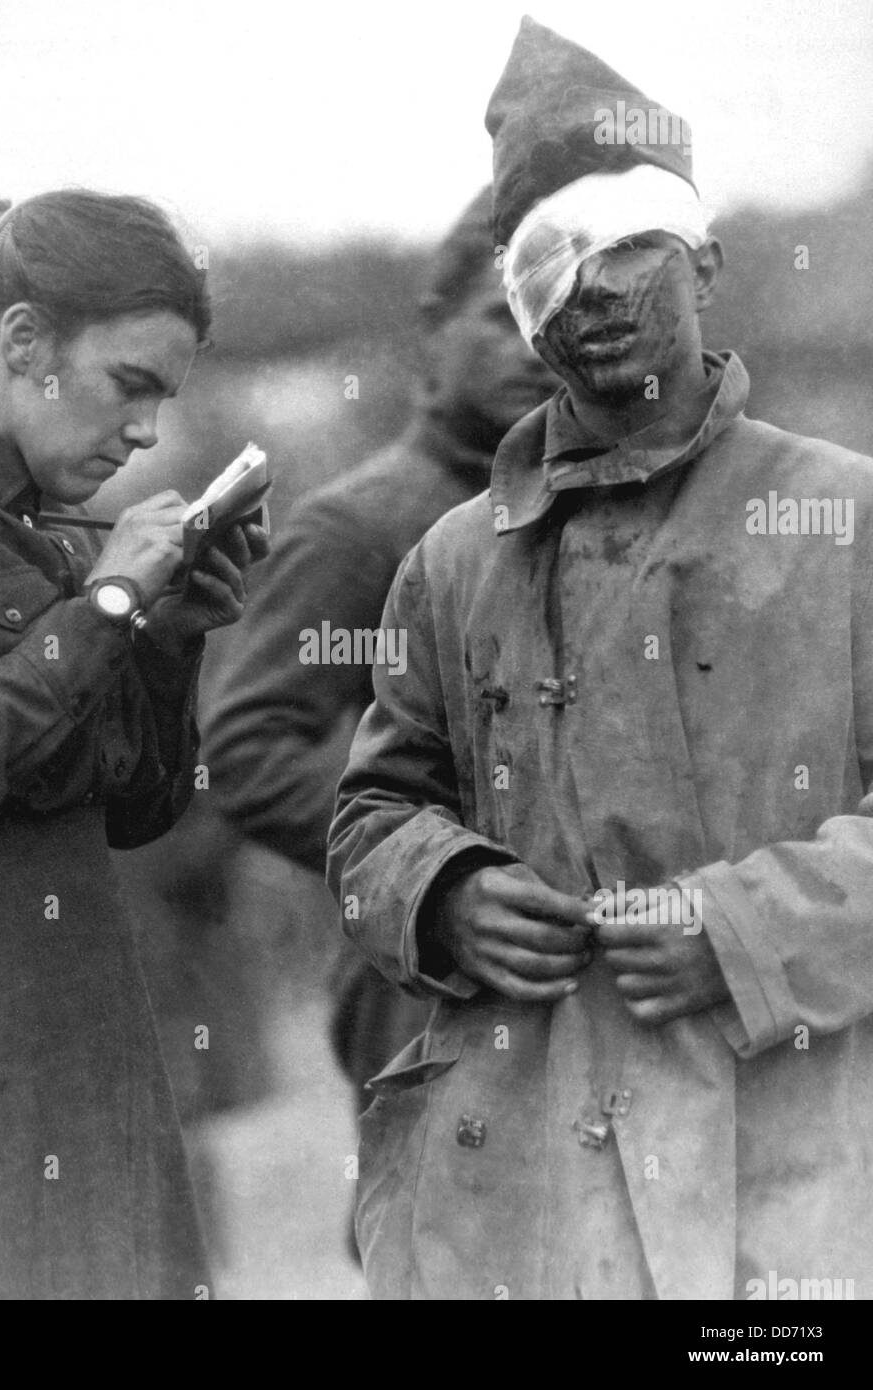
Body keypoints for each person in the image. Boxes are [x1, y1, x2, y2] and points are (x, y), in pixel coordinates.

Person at [328, 15, 873, 1301]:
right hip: (511, 1180)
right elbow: (369, 814)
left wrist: (743, 932)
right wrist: (440, 892)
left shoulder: (844, 524)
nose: (595, 293)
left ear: (706, 259)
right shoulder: (453, 561)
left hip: (787, 1170)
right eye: (547, 266)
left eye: (631, 245)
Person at [0, 189, 267, 1300]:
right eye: (131, 386)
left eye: (162, 400)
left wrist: (166, 639)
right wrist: (109, 606)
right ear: (24, 340)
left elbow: (138, 809)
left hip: (84, 1057)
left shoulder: (61, 544)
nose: (144, 431)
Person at [204, 188, 558, 1124]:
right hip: (423, 973)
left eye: (554, 320)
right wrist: (436, 871)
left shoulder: (578, 513)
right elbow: (247, 745)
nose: (533, 348)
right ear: (433, 332)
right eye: (501, 317)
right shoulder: (364, 527)